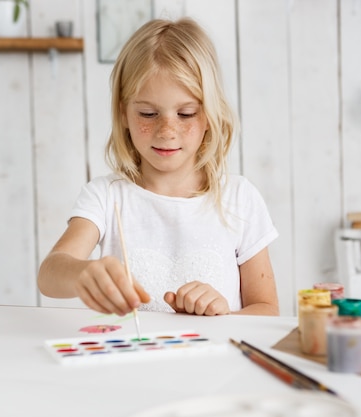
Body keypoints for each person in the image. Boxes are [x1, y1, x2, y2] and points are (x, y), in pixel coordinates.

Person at [37, 17, 279, 317]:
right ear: (124, 113)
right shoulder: (106, 196)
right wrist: (83, 273)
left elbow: (267, 310)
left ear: (209, 116)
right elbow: (49, 274)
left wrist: (224, 316)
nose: (166, 130)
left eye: (186, 113)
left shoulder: (240, 198)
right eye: (149, 113)